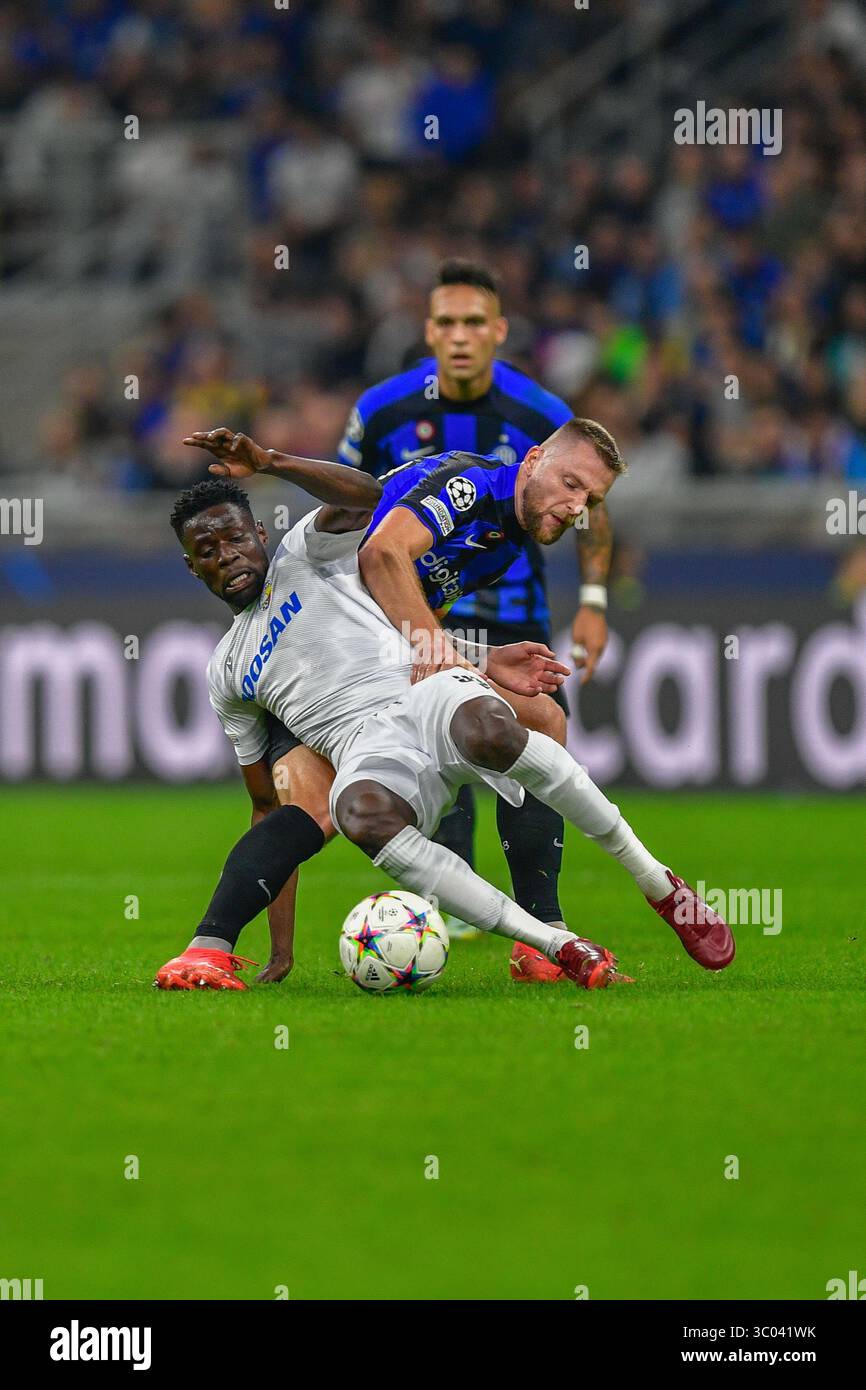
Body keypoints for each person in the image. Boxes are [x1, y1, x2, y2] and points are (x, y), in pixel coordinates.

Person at [154, 447, 734, 992]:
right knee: (355, 813)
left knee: (498, 728)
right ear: (191, 568)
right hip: (366, 750)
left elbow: (365, 496)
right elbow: (265, 807)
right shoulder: (226, 670)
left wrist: (270, 461)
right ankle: (556, 944)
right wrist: (281, 944)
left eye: (235, 539)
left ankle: (658, 883)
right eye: (208, 552)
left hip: (422, 694)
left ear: (259, 534)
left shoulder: (304, 553)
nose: (227, 556)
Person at [270, 259, 613, 945]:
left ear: (498, 332)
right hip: (416, 603)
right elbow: (357, 498)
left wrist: (595, 598)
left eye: (475, 323)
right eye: (448, 323)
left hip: (513, 609)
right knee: (438, 748)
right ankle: (458, 906)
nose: (461, 336)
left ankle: (542, 917)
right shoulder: (381, 408)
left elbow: (594, 510)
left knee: (537, 746)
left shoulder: (543, 414)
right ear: (429, 331)